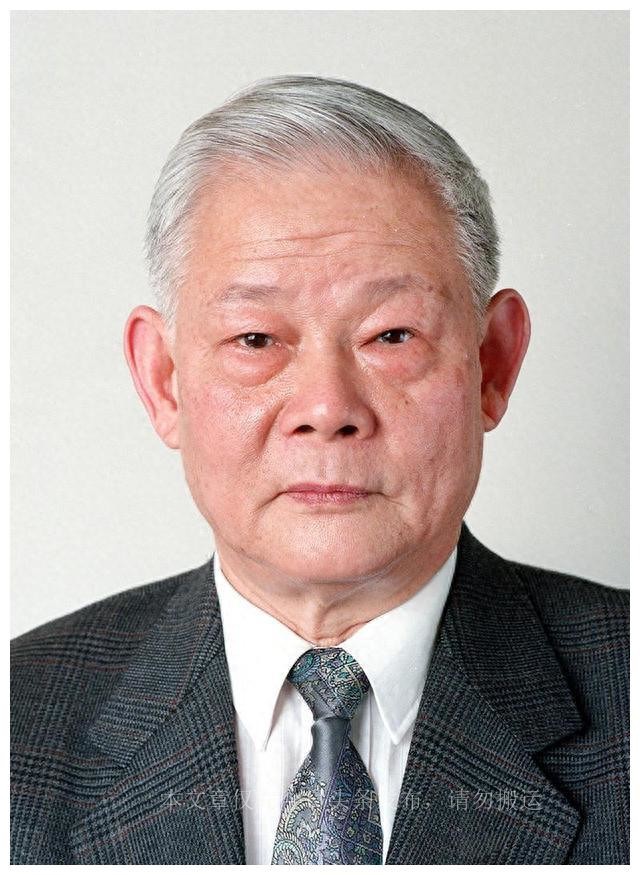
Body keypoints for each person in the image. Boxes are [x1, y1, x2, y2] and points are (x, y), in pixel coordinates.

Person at [11, 75, 629, 865]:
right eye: (256, 340)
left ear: (493, 363)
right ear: (164, 381)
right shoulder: (19, 720)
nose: (327, 407)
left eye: (392, 335)